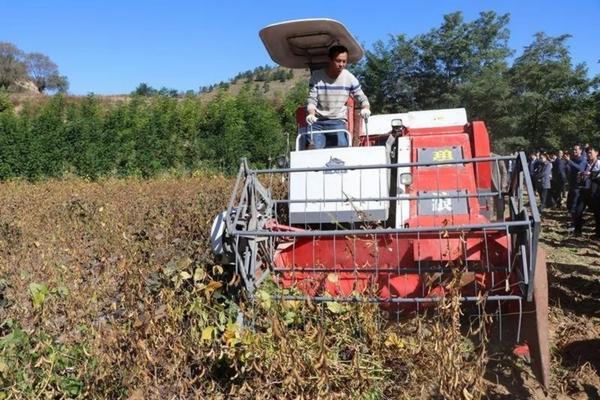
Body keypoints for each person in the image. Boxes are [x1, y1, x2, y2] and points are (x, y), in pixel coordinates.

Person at [304, 45, 370, 149]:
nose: (341, 65)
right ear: (330, 60)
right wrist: (311, 114)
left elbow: (361, 96)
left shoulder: (349, 77)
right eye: (338, 61)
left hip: (337, 120)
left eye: (344, 61)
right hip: (318, 121)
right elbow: (312, 99)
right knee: (315, 150)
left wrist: (366, 108)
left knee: (342, 146)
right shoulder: (317, 77)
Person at [579, 146, 600, 239]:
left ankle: (598, 234)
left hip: (596, 193)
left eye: (590, 152)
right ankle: (578, 230)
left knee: (597, 213)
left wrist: (591, 174)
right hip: (587, 191)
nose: (588, 154)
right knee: (578, 211)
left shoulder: (599, 164)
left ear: (597, 153)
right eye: (587, 153)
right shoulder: (586, 164)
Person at [566, 145, 587, 232]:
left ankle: (574, 224)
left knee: (574, 206)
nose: (574, 151)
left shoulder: (583, 160)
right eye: (573, 149)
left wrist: (569, 161)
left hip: (578, 187)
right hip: (572, 185)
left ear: (580, 150)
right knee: (569, 204)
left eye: (576, 150)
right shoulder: (573, 159)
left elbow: (580, 169)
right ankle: (578, 221)